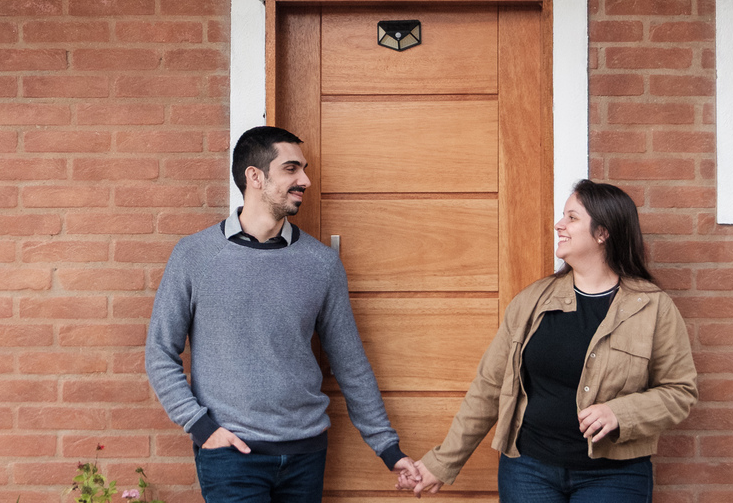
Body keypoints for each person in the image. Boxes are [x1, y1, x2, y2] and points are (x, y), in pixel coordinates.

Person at [146, 125, 419, 502]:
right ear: (254, 176)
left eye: (303, 169)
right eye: (291, 169)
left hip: (306, 454)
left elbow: (350, 362)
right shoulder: (195, 255)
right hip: (231, 456)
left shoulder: (321, 263)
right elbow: (160, 351)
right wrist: (201, 427)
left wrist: (389, 449)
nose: (305, 180)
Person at [400, 179, 697, 502]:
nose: (559, 225)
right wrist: (442, 463)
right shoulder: (532, 302)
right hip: (528, 471)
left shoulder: (652, 307)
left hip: (615, 476)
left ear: (602, 233)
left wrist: (620, 414)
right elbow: (489, 387)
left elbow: (679, 391)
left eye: (572, 217)